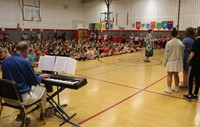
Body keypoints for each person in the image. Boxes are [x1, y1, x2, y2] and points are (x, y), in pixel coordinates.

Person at [1, 41, 54, 123]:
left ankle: (22, 114)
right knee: (43, 89)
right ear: (25, 51)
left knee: (21, 86)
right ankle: (43, 114)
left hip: (6, 98)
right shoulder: (25, 62)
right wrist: (40, 76)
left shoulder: (5, 61)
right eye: (28, 51)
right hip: (20, 99)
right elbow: (34, 81)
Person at [163, 27, 184, 94]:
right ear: (177, 34)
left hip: (170, 61)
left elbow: (166, 53)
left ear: (171, 35)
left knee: (169, 75)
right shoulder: (180, 43)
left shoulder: (169, 43)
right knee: (176, 75)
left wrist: (165, 62)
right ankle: (176, 88)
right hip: (177, 61)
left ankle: (169, 88)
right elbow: (182, 53)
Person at [183, 26, 200, 101]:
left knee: (190, 78)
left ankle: (189, 95)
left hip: (194, 63)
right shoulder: (195, 40)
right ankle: (195, 94)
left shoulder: (197, 41)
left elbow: (192, 52)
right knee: (198, 79)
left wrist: (189, 60)